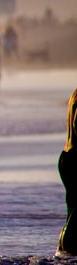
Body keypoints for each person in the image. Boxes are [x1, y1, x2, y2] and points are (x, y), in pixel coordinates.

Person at [58, 88, 77, 255]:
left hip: (68, 156)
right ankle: (68, 248)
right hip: (76, 157)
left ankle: (64, 248)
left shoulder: (75, 95)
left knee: (73, 205)